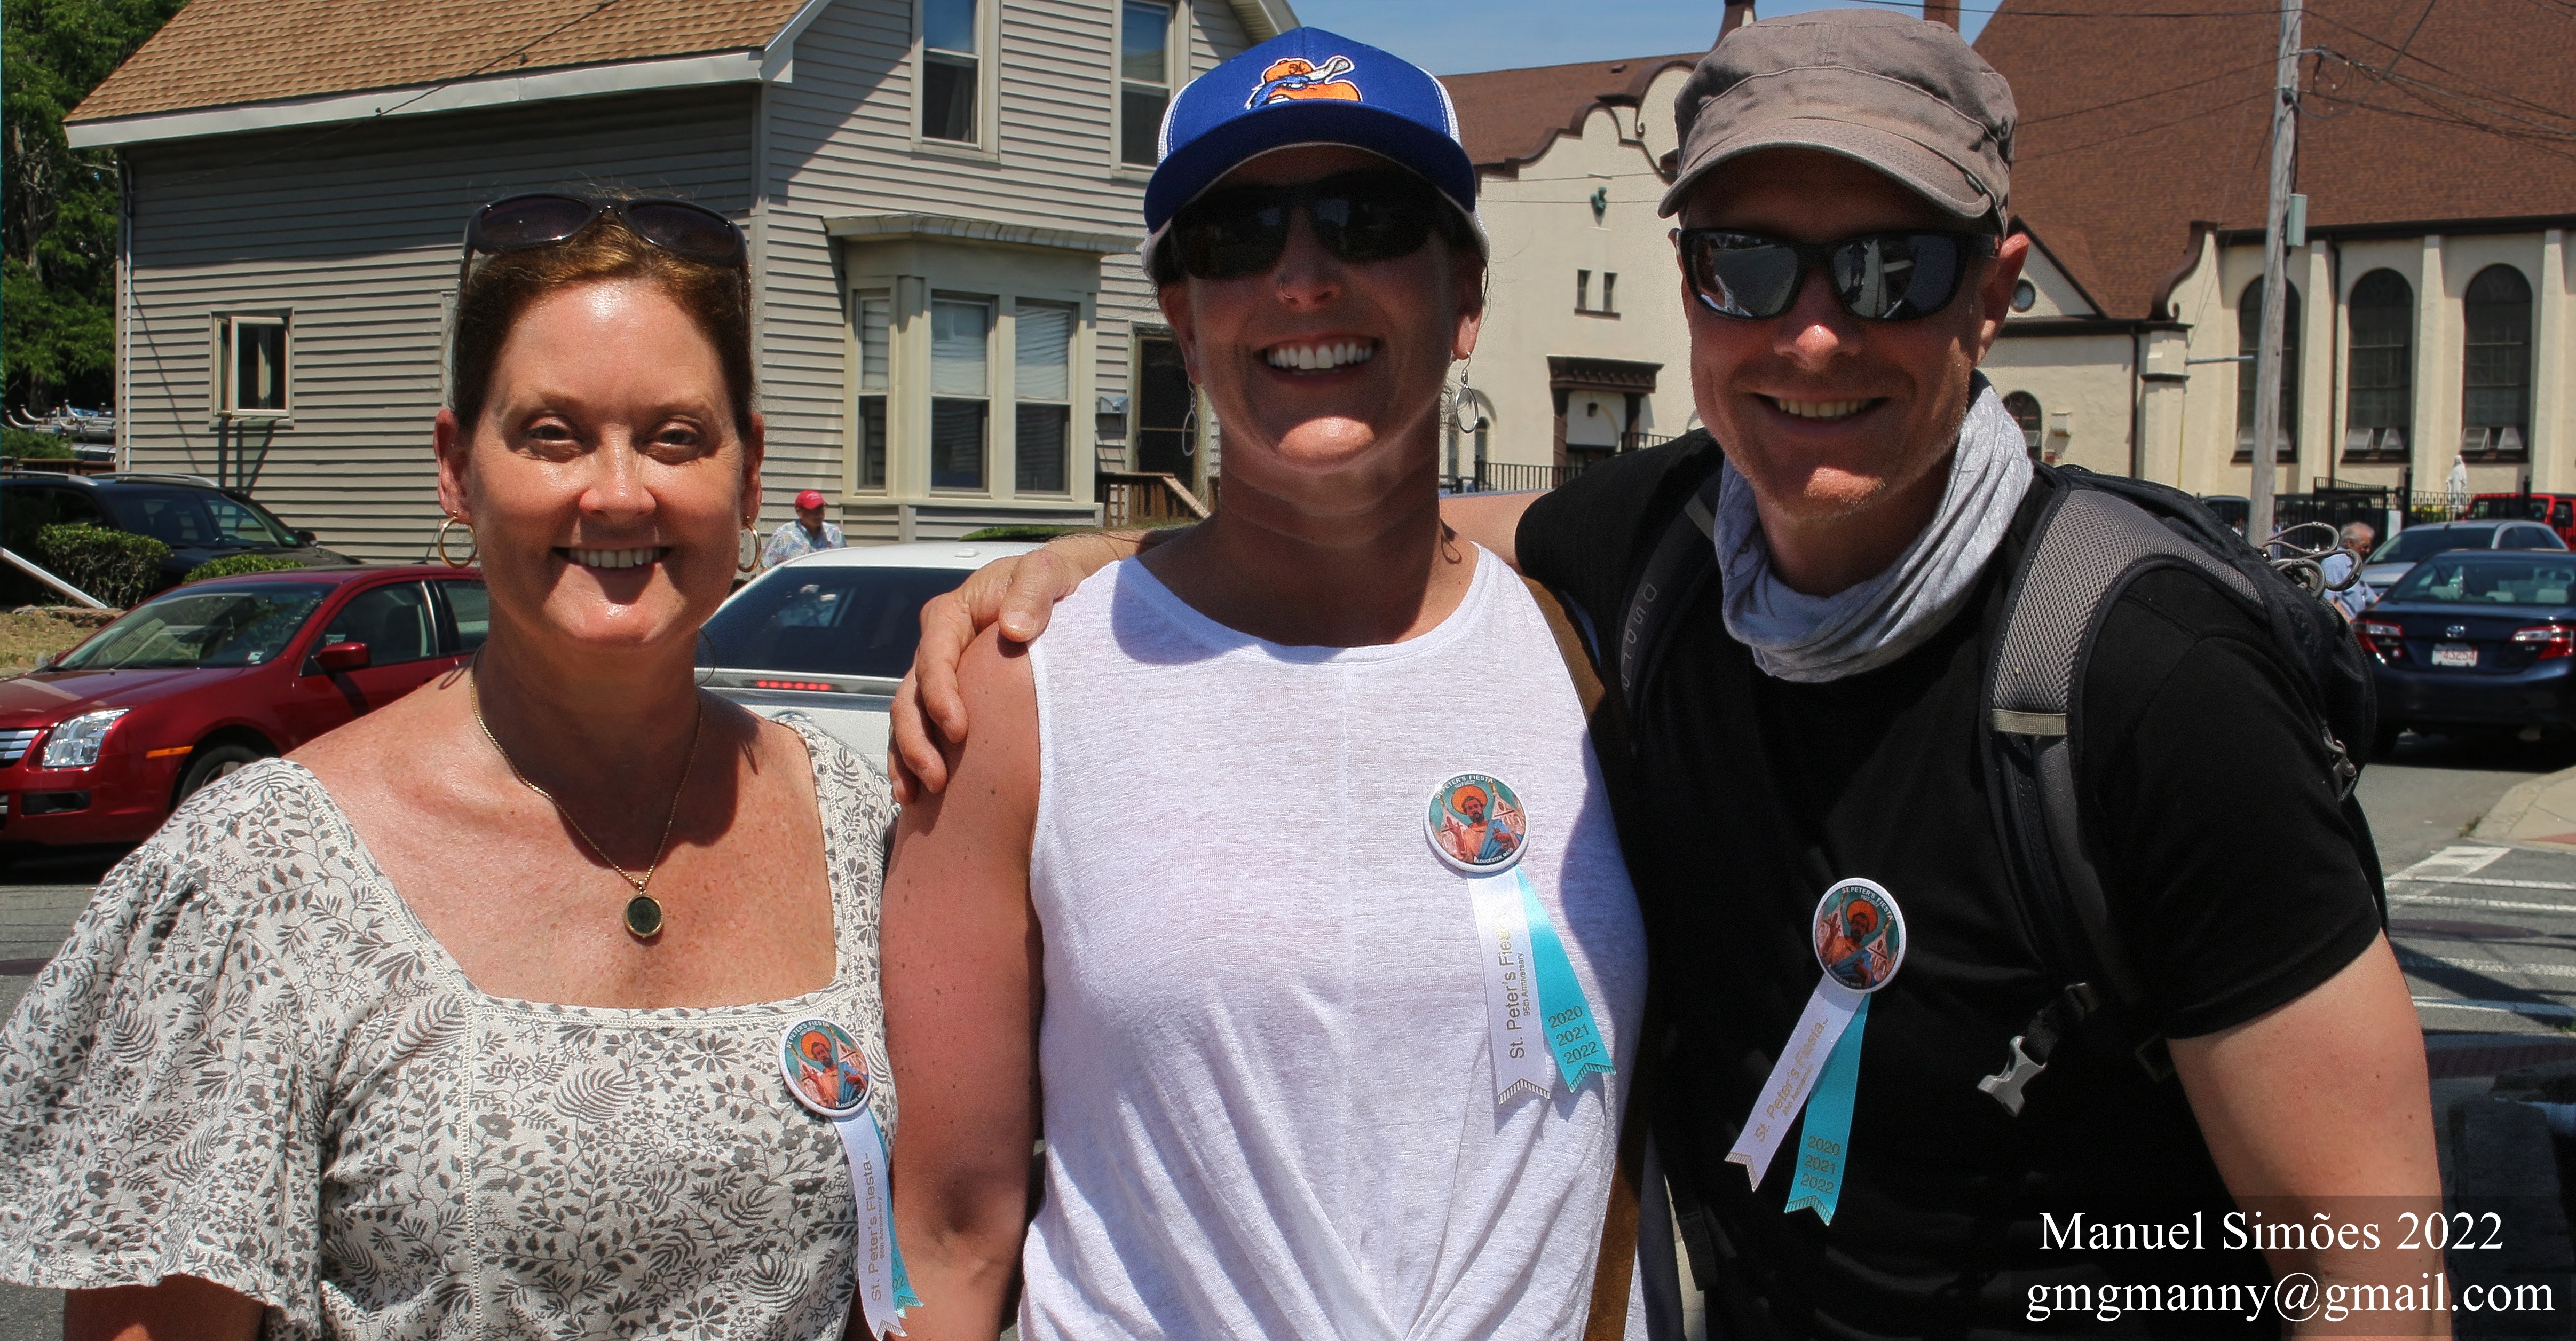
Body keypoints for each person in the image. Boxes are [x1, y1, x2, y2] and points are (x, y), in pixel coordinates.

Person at [893, 12, 2442, 1338]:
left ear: (1994, 292)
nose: (1813, 335)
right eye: (1747, 267)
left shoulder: (2150, 676)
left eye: (1891, 268)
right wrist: (1086, 571)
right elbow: (1369, 528)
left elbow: (2376, 1273)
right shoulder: (1655, 563)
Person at [0, 195, 898, 1339]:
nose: (619, 490)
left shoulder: (853, 824)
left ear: (749, 472)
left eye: (675, 436)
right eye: (552, 434)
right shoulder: (262, 873)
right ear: (455, 468)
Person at [882, 30, 1652, 1341]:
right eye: (1235, 234)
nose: (1302, 275)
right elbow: (946, 1238)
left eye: (1367, 217)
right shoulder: (1020, 693)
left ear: (1464, 294)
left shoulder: (1598, 643)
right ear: (1183, 319)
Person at [762, 487, 847, 567]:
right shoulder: (784, 535)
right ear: (800, 512)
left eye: (821, 509)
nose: (819, 514)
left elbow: (846, 563)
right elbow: (767, 569)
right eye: (814, 510)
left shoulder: (834, 533)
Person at [2325, 520, 2380, 619]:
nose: (2368, 551)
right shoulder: (2334, 562)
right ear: (2350, 543)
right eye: (2365, 546)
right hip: (2345, 626)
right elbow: (2330, 602)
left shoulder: (2353, 564)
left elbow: (2373, 600)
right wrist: (2351, 624)